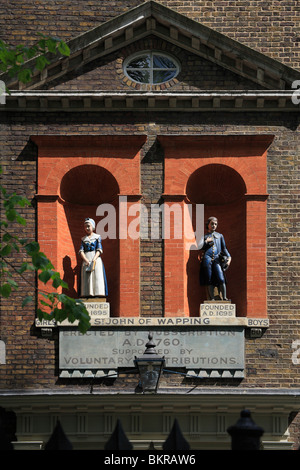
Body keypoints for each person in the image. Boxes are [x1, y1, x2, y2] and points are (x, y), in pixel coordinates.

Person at [198, 216, 231, 301]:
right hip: (207, 258)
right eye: (212, 224)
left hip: (217, 259)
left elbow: (224, 248)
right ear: (208, 225)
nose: (214, 225)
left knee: (221, 278)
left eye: (215, 224)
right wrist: (206, 241)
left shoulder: (220, 236)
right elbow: (199, 246)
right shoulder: (205, 236)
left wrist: (229, 257)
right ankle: (211, 298)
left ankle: (224, 297)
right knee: (209, 278)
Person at [79, 218, 108, 297]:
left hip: (95, 259)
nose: (87, 228)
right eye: (85, 227)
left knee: (96, 276)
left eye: (88, 226)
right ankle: (87, 293)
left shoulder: (97, 237)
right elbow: (81, 251)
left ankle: (97, 293)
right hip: (86, 259)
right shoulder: (83, 239)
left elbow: (99, 249)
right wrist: (86, 260)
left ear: (93, 227)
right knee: (87, 278)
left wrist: (94, 259)